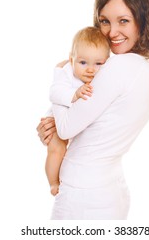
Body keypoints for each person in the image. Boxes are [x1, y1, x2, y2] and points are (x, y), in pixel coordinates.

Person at [37, 0, 149, 220]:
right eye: (104, 21)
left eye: (124, 21)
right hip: (109, 188)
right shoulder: (145, 66)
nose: (111, 32)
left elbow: (65, 128)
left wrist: (59, 82)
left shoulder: (119, 67)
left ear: (143, 22)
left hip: (84, 195)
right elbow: (95, 123)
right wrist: (55, 122)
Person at [45, 26, 110, 196]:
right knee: (57, 150)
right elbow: (54, 92)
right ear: (71, 60)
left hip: (76, 122)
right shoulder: (66, 73)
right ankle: (53, 182)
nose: (90, 69)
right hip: (56, 117)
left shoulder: (104, 78)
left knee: (73, 153)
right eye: (83, 63)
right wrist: (74, 94)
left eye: (98, 64)